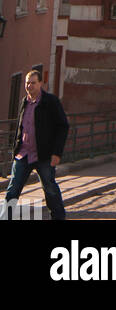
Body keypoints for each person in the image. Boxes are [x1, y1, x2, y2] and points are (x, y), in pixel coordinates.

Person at [3, 69, 69, 221]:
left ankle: (58, 217)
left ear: (40, 83)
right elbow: (20, 127)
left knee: (49, 188)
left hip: (44, 155)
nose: (29, 86)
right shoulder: (24, 102)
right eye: (27, 83)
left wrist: (57, 153)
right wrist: (15, 149)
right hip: (23, 154)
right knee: (13, 190)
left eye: (33, 83)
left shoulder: (50, 102)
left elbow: (63, 126)